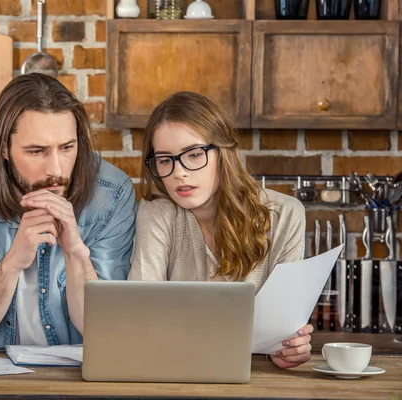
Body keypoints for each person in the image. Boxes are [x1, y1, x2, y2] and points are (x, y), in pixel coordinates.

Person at [0, 73, 137, 351]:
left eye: (67, 148)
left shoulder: (112, 193)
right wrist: (13, 262)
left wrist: (76, 253)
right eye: (37, 151)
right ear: (3, 149)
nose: (57, 170)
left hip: (79, 382)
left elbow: (107, 336)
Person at [128, 91, 312, 369]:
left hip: (254, 376)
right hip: (173, 370)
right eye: (165, 160)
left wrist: (290, 347)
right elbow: (140, 318)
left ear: (223, 153)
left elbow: (281, 329)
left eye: (193, 154)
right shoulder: (157, 214)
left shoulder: (285, 214)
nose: (179, 173)